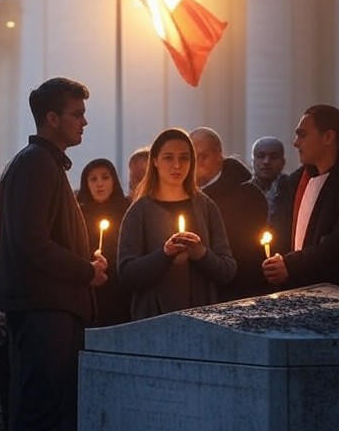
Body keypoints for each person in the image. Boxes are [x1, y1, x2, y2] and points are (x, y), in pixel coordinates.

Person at [0, 77, 107, 431]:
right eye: (76, 114)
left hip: (53, 306)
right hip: (45, 307)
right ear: (51, 118)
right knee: (36, 409)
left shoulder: (46, 164)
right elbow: (32, 241)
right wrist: (85, 271)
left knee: (45, 406)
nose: (84, 122)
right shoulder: (35, 165)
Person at [118, 128, 237, 319]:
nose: (177, 165)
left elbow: (227, 270)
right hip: (154, 317)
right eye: (168, 158)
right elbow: (126, 274)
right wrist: (164, 255)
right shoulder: (140, 211)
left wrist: (201, 254)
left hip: (202, 316)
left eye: (184, 158)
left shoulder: (206, 207)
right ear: (155, 161)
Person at [264, 105, 339, 292]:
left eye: (302, 135)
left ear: (328, 137)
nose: (295, 143)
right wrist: (277, 263)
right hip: (293, 291)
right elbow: (279, 229)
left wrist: (291, 265)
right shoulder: (293, 182)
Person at [189, 128, 268, 300]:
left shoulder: (247, 195)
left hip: (237, 291)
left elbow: (248, 252)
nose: (196, 164)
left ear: (219, 154)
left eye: (203, 157)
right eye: (191, 158)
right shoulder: (185, 194)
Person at [76, 158, 130, 326]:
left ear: (114, 180)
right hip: (88, 288)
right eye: (93, 179)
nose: (100, 184)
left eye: (105, 177)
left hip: (120, 288)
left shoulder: (127, 211)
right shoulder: (78, 215)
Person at [250, 137, 288, 222]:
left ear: (283, 162)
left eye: (273, 157)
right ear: (252, 161)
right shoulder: (242, 192)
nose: (266, 161)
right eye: (261, 156)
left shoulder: (292, 190)